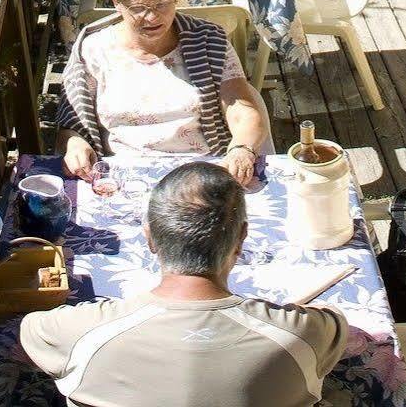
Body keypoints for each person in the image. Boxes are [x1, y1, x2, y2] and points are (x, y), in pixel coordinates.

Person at [19, 161, 348, 407]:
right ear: (241, 238)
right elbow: (334, 324)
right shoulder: (303, 334)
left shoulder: (79, 333)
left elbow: (32, 328)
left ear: (149, 238)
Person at [58, 0, 269, 185]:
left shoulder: (209, 40)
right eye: (139, 8)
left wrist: (241, 149)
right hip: (125, 178)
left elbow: (241, 109)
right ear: (117, 1)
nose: (152, 17)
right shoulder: (93, 47)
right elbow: (73, 124)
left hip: (201, 174)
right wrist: (75, 143)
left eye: (162, 4)